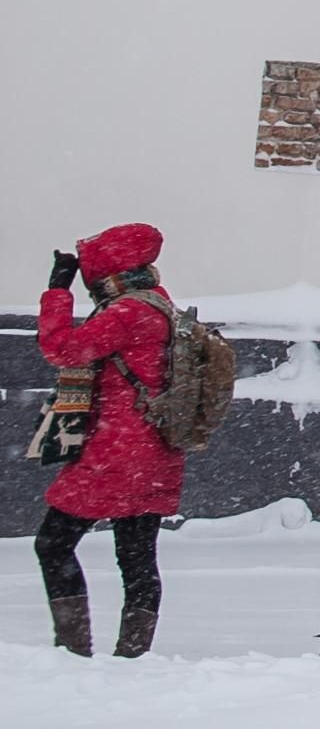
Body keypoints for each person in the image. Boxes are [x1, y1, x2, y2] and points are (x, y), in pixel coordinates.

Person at [34, 224, 184, 658]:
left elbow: (63, 349)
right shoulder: (157, 303)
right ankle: (131, 654)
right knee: (136, 556)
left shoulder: (128, 312)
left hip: (116, 450)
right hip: (151, 449)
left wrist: (57, 293)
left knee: (53, 542)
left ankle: (73, 648)